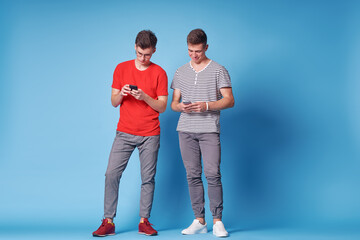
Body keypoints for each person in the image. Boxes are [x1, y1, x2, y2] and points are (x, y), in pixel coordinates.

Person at [93, 30, 168, 237]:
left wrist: (144, 96)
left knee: (148, 178)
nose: (144, 59)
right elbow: (113, 102)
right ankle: (108, 221)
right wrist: (122, 94)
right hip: (125, 132)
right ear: (135, 47)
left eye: (148, 55)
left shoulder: (160, 72)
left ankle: (144, 221)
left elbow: (162, 107)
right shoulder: (121, 68)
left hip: (150, 133)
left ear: (154, 51)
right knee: (111, 174)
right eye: (140, 54)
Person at [170, 28, 234, 238]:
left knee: (213, 174)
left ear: (206, 47)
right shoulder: (180, 72)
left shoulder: (218, 70)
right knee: (192, 175)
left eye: (197, 51)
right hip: (185, 130)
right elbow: (174, 104)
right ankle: (199, 220)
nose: (194, 55)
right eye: (190, 51)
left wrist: (206, 105)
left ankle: (217, 221)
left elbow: (229, 100)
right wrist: (182, 107)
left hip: (208, 130)